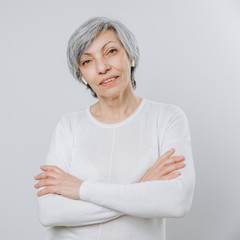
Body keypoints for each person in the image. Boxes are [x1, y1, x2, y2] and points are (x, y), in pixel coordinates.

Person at [33, 16, 195, 240]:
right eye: (87, 61)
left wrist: (81, 189)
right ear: (82, 75)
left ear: (131, 56)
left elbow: (177, 202)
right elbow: (50, 212)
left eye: (111, 51)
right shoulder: (68, 126)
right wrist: (142, 188)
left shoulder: (167, 118)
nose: (102, 67)